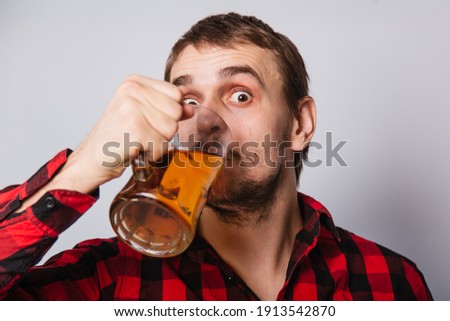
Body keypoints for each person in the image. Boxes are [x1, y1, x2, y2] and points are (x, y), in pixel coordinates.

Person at [0, 12, 432, 300]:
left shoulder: (391, 280)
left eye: (240, 94)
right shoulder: (103, 281)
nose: (205, 122)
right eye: (188, 100)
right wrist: (80, 169)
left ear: (299, 124)